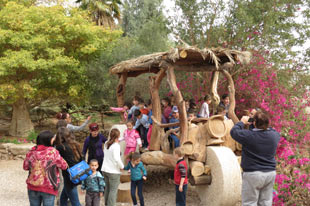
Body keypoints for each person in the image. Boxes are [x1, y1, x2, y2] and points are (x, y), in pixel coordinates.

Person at [230, 112, 280, 206]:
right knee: (266, 202)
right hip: (270, 173)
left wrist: (242, 122)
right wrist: (256, 124)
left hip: (253, 174)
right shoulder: (274, 136)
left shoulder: (248, 136)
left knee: (250, 203)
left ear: (255, 122)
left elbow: (234, 132)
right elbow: (268, 130)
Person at [23, 131, 68, 206]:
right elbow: (64, 166)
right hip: (48, 187)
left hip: (33, 186)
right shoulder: (53, 152)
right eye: (53, 138)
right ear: (48, 140)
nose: (54, 140)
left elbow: (25, 167)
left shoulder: (31, 151)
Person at [55, 127, 83, 206]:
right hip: (77, 172)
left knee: (75, 202)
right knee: (63, 197)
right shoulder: (75, 144)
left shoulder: (61, 147)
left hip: (69, 175)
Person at [101, 129, 124, 206]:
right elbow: (117, 158)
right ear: (118, 136)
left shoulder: (106, 143)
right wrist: (122, 166)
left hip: (104, 169)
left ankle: (107, 204)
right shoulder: (116, 146)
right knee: (113, 190)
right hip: (113, 171)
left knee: (107, 188)